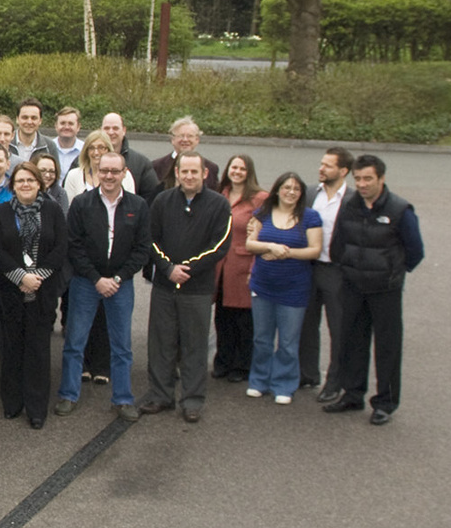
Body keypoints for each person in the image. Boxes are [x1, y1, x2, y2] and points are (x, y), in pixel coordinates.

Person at [324, 155, 424, 425]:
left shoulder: (400, 209)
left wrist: (393, 274)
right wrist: (346, 269)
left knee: (387, 347)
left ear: (381, 178)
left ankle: (385, 403)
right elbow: (337, 244)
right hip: (353, 287)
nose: (362, 184)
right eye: (358, 179)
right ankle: (352, 394)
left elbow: (415, 251)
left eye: (368, 178)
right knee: (352, 342)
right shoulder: (349, 205)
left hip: (385, 290)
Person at [137, 154, 232, 423]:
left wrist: (188, 269)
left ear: (204, 174)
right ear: (176, 173)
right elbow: (150, 238)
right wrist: (168, 268)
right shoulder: (162, 201)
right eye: (184, 171)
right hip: (164, 286)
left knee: (194, 346)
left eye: (194, 171)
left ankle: (192, 400)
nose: (189, 176)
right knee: (161, 343)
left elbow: (219, 245)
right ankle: (160, 395)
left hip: (197, 289)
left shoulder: (219, 204)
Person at [57, 152, 150, 421]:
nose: (109, 176)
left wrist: (118, 278)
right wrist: (96, 278)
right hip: (86, 282)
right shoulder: (82, 203)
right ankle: (68, 394)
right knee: (75, 342)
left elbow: (142, 248)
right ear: (97, 172)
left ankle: (123, 399)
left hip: (121, 285)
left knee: (122, 346)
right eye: (104, 170)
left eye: (114, 171)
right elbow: (74, 245)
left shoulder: (138, 205)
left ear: (124, 173)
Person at [0, 164, 66, 429]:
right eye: (20, 180)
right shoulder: (1, 212)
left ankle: (36, 409)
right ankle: (12, 403)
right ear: (13, 185)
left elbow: (60, 248)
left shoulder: (53, 210)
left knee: (38, 351)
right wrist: (21, 277)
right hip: (10, 291)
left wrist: (36, 278)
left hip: (42, 292)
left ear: (39, 184)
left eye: (30, 180)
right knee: (11, 348)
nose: (25, 184)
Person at [245, 172, 323, 405]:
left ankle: (284, 384)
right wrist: (270, 246)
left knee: (288, 342)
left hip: (294, 290)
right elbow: (250, 244)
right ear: (277, 190)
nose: (291, 192)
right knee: (262, 339)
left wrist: (285, 253)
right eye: (287, 187)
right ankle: (259, 380)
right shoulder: (263, 213)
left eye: (296, 189)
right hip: (263, 287)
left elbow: (315, 250)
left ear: (301, 194)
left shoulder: (310, 217)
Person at [305, 147, 355, 399]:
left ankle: (334, 382)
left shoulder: (352, 200)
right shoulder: (310, 193)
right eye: (321, 164)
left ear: (343, 171)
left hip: (336, 272)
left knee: (338, 329)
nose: (321, 169)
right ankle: (307, 374)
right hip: (308, 267)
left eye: (328, 165)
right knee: (305, 324)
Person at [211, 155, 266, 384]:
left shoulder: (259, 199)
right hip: (220, 266)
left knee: (243, 320)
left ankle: (242, 365)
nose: (237, 172)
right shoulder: (220, 194)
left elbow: (263, 233)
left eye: (242, 169)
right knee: (222, 317)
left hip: (243, 265)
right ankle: (223, 361)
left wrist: (255, 267)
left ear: (249, 172)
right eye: (234, 167)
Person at [151, 116, 221, 191]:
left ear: (197, 140)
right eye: (181, 136)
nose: (185, 140)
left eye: (190, 136)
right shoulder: (156, 166)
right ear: (173, 139)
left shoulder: (211, 168)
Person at [62, 130, 134, 201]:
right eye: (91, 148)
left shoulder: (125, 175)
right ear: (86, 151)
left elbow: (131, 203)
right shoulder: (73, 175)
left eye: (101, 147)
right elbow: (70, 205)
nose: (96, 152)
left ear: (109, 150)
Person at [101, 112, 159, 200]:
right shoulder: (88, 160)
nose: (111, 132)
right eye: (106, 128)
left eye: (115, 128)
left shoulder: (141, 163)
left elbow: (151, 196)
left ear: (124, 130)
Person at [9, 100, 60, 168]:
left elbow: (55, 172)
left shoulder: (49, 146)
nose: (29, 122)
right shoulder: (7, 142)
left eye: (34, 118)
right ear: (17, 119)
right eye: (25, 117)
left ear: (40, 121)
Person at [51, 106, 84, 180]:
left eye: (71, 123)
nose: (66, 127)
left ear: (78, 127)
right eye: (62, 123)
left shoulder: (85, 150)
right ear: (56, 126)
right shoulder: (47, 148)